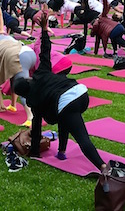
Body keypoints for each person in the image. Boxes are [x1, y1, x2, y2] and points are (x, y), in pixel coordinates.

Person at [13, 11, 107, 172]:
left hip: (68, 101)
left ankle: (103, 167)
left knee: (82, 138)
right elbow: (44, 51)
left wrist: (35, 151)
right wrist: (44, 29)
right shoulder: (41, 72)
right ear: (28, 79)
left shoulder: (33, 100)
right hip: (82, 92)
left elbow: (36, 128)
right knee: (64, 116)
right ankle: (62, 151)